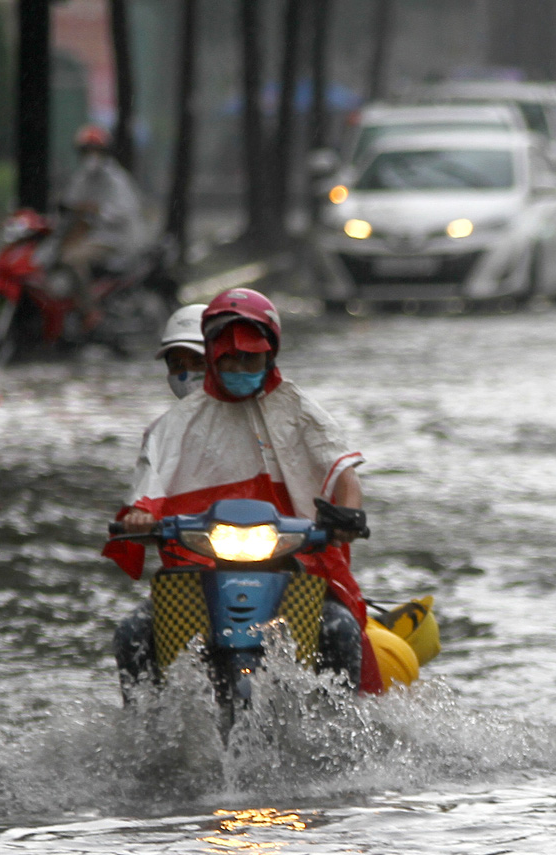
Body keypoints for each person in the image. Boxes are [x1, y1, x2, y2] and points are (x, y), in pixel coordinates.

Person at [105, 289, 378, 693]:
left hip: (289, 568)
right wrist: (141, 517)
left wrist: (348, 514)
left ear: (270, 355)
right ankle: (147, 735)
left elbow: (341, 471)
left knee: (339, 631)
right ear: (213, 354)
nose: (238, 365)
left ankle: (345, 736)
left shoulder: (299, 410)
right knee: (133, 634)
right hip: (195, 578)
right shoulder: (172, 426)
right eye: (228, 356)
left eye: (249, 356)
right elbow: (147, 488)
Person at [59, 125, 148, 291]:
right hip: (92, 237)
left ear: (105, 151)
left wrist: (96, 210)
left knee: (71, 259)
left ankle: (88, 310)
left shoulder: (116, 180)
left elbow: (124, 212)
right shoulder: (81, 178)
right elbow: (70, 205)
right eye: (86, 151)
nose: (91, 156)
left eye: (95, 150)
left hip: (116, 240)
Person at [157, 303, 208, 399]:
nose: (188, 374)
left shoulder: (241, 411)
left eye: (198, 362)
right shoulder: (175, 414)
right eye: (177, 366)